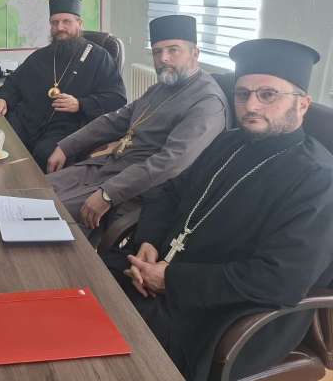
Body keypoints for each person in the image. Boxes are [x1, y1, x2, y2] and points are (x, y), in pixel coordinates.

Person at [102, 38, 333, 381]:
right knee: (91, 284)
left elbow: (279, 280)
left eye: (268, 95)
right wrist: (148, 241)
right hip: (159, 274)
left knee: (113, 354)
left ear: (302, 104)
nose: (251, 106)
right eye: (242, 94)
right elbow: (168, 191)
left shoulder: (318, 178)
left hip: (224, 315)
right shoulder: (229, 142)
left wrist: (170, 280)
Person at [46, 15, 229, 244]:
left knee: (47, 213)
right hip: (109, 166)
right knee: (36, 190)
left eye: (173, 50)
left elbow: (169, 163)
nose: (163, 59)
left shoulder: (208, 103)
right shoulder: (162, 87)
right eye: (157, 52)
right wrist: (66, 146)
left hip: (135, 188)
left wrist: (108, 193)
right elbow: (115, 120)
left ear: (195, 53)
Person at [0, 0, 126, 170]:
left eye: (66, 21)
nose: (60, 27)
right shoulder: (41, 56)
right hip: (28, 122)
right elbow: (15, 81)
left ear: (79, 23)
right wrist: (3, 99)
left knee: (44, 154)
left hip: (66, 127)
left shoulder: (99, 57)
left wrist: (80, 104)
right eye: (54, 22)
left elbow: (117, 98)